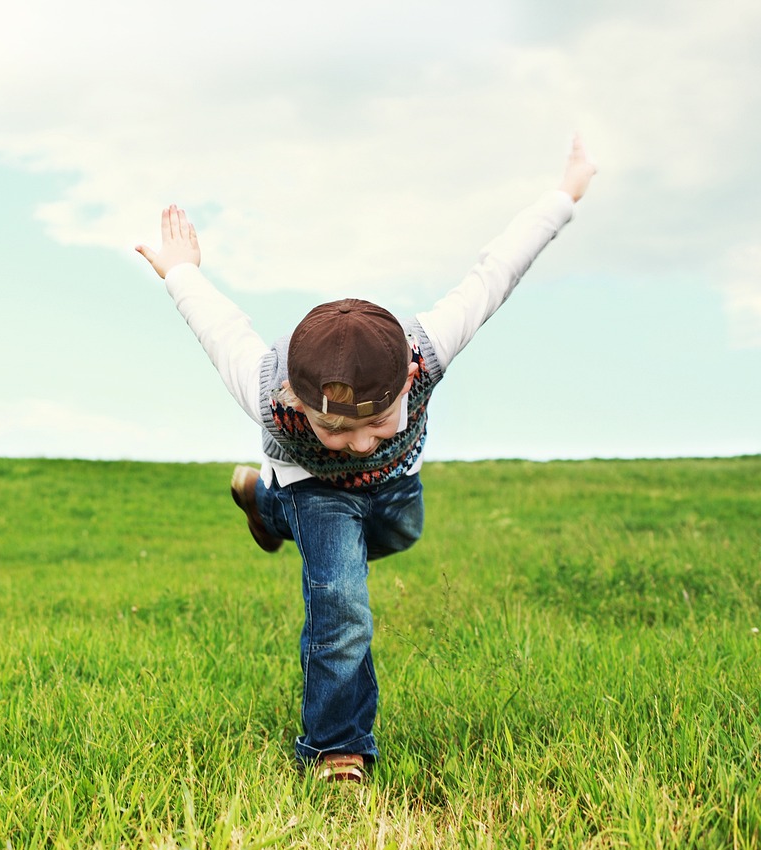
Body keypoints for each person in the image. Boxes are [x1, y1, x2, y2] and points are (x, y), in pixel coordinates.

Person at [135, 136, 597, 783]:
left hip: (396, 493)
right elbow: (218, 323)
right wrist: (180, 269)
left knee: (401, 533)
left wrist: (565, 193)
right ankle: (337, 749)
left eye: (378, 422)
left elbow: (496, 271)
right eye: (334, 428)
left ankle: (266, 510)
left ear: (406, 384)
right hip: (315, 492)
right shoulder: (264, 385)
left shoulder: (427, 350)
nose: (357, 444)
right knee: (342, 605)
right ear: (298, 396)